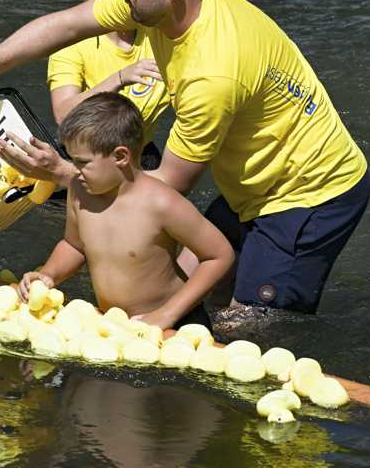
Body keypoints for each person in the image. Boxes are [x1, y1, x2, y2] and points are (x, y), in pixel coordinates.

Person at [0, 0, 369, 314]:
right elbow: (66, 25)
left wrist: (59, 173)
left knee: (249, 325)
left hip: (309, 195)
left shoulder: (212, 75)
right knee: (184, 289)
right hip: (255, 181)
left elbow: (165, 186)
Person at [18, 93, 233, 330]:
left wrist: (166, 315)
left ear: (120, 156)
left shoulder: (161, 202)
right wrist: (49, 274)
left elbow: (219, 255)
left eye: (83, 162)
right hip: (116, 324)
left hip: (175, 322)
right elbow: (74, 245)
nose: (74, 171)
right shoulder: (80, 191)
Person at [47, 0, 169, 170]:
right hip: (85, 158)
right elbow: (63, 115)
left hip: (143, 156)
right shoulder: (71, 44)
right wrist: (120, 78)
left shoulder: (158, 31)